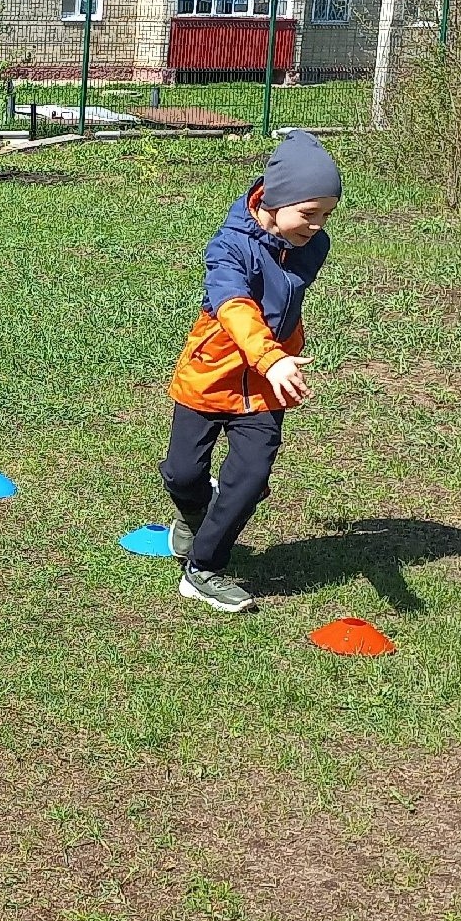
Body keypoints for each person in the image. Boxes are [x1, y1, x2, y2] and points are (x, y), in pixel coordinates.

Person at [160, 131, 341, 614]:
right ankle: (196, 511)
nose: (318, 226)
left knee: (251, 476)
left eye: (326, 215)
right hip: (212, 374)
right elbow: (235, 307)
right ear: (275, 200)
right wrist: (271, 356)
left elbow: (285, 300)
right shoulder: (227, 248)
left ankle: (203, 570)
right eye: (309, 213)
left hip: (265, 387)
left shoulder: (310, 244)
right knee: (182, 475)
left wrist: (276, 361)